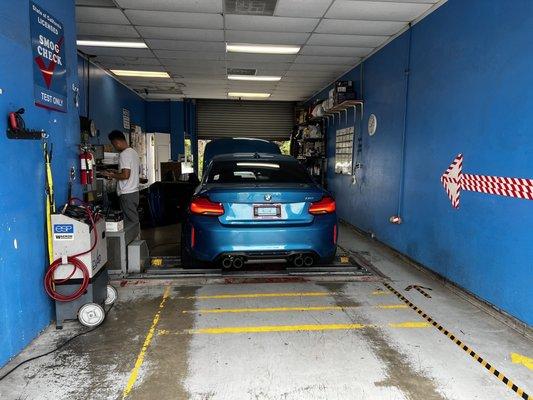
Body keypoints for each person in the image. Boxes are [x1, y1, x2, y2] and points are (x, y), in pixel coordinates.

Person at [101, 130, 140, 227]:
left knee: (131, 222)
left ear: (117, 142)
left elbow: (125, 176)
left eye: (113, 145)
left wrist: (110, 175)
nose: (114, 147)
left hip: (127, 194)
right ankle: (135, 240)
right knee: (132, 220)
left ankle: (137, 240)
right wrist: (115, 172)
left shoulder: (124, 154)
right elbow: (131, 172)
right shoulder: (133, 152)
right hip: (134, 193)